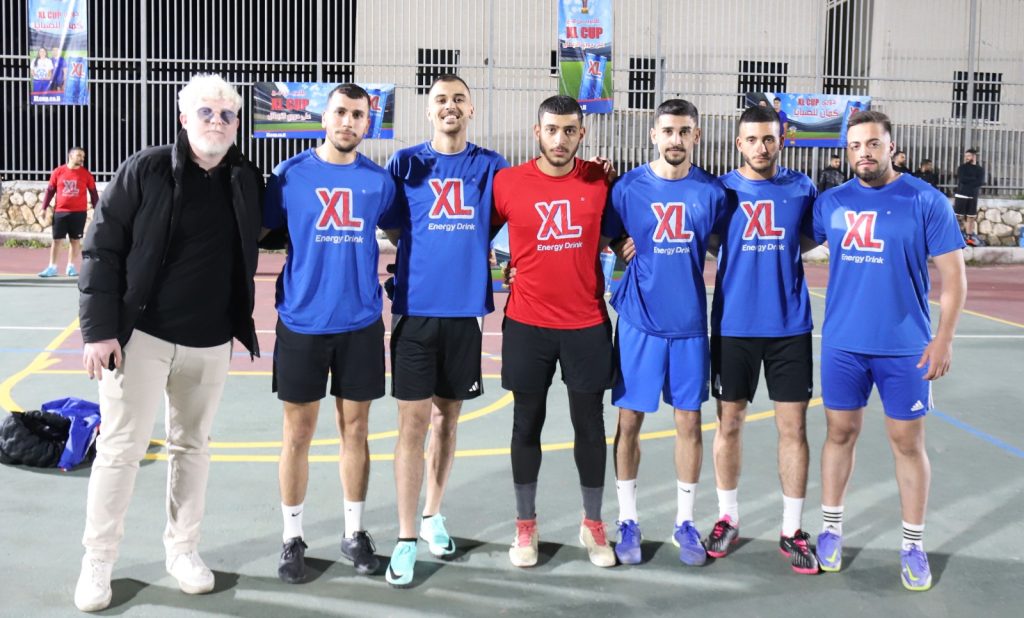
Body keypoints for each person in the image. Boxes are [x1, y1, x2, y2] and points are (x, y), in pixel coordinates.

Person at [74, 74, 263, 612]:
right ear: (183, 118)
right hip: (141, 338)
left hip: (210, 343)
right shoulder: (146, 168)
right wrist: (98, 330)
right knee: (119, 450)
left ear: (236, 123)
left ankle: (183, 550)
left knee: (193, 449)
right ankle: (98, 561)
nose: (217, 122)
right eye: (206, 112)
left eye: (227, 115)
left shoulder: (246, 177)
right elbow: (102, 247)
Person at [812, 110, 966, 592]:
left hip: (904, 349)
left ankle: (913, 544)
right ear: (847, 151)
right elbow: (780, 241)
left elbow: (955, 277)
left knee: (907, 443)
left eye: (873, 144)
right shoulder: (831, 202)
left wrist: (943, 338)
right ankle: (831, 530)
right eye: (855, 146)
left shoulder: (925, 200)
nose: (864, 153)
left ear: (891, 147)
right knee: (839, 433)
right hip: (843, 344)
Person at [379, 74, 509, 588]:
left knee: (447, 421)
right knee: (411, 426)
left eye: (458, 99)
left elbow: (505, 221)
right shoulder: (405, 163)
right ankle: (406, 537)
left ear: (471, 110)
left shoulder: (492, 165)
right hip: (414, 311)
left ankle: (433, 514)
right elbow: (393, 225)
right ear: (429, 111)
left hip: (465, 313)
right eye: (440, 100)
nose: (449, 106)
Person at [263, 84, 396, 584]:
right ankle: (292, 537)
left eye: (358, 115)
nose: (348, 122)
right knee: (297, 434)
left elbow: (404, 234)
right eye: (340, 112)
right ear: (324, 117)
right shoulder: (289, 175)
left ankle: (354, 532)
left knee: (355, 431)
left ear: (367, 123)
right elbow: (259, 232)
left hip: (360, 323)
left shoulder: (378, 182)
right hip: (302, 322)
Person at [492, 95, 616, 570]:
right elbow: (476, 234)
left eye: (569, 130)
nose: (559, 139)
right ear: (536, 132)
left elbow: (620, 233)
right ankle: (526, 526)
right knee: (526, 424)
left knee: (590, 427)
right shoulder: (507, 183)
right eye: (551, 130)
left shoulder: (600, 181)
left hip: (586, 324)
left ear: (581, 134)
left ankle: (593, 523)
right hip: (528, 325)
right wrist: (501, 268)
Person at [603, 99, 727, 568]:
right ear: (654, 135)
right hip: (639, 322)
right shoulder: (628, 188)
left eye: (684, 131)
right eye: (668, 131)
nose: (676, 139)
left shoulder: (712, 193)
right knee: (628, 423)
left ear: (696, 136)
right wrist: (620, 244)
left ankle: (685, 522)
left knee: (689, 424)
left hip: (690, 325)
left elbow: (725, 243)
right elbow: (605, 235)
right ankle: (628, 521)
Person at [708, 104, 819, 573]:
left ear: (782, 140)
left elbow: (807, 239)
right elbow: (708, 240)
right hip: (733, 326)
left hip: (789, 328)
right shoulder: (720, 192)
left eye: (769, 138)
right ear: (739, 143)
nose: (761, 147)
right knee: (729, 424)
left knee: (793, 428)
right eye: (752, 139)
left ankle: (792, 530)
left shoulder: (802, 188)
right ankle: (728, 517)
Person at [38, 147, 99, 278]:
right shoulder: (58, 172)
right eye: (79, 155)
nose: (82, 159)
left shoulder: (86, 174)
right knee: (57, 240)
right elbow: (50, 190)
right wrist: (43, 208)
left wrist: (97, 210)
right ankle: (52, 267)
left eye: (83, 156)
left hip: (79, 213)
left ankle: (70, 266)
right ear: (70, 156)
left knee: (75, 240)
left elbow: (93, 194)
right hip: (60, 212)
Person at [954, 148, 985, 246]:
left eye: (968, 156)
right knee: (958, 217)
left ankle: (969, 237)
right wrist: (973, 180)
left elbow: (980, 182)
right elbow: (962, 179)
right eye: (965, 156)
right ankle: (955, 236)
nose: (966, 158)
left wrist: (970, 181)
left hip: (973, 196)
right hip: (961, 195)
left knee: (971, 217)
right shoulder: (962, 168)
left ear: (974, 156)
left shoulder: (980, 169)